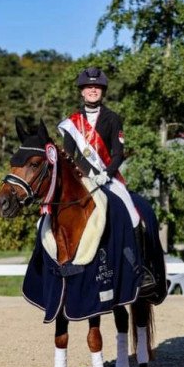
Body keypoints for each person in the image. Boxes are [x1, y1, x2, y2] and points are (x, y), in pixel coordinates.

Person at [57, 67, 155, 289]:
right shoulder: (72, 122)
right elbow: (67, 156)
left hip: (108, 178)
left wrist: (106, 174)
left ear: (102, 91)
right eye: (89, 87)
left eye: (97, 87)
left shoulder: (113, 119)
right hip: (82, 181)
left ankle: (141, 269)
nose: (93, 90)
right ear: (82, 91)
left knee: (133, 214)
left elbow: (118, 153)